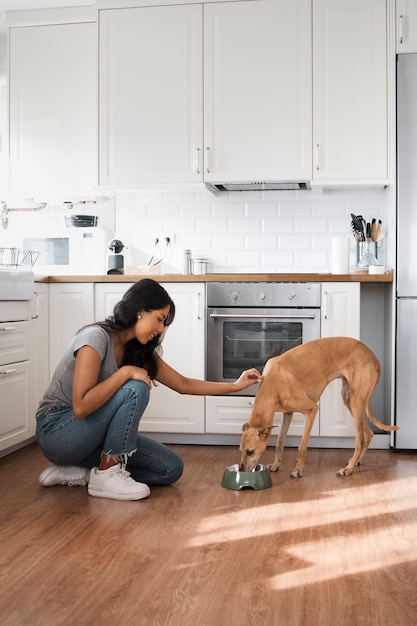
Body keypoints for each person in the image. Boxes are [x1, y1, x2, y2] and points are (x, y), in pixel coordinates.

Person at [36, 278, 262, 501]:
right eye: (160, 319)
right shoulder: (95, 337)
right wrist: (125, 373)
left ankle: (83, 471)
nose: (161, 329)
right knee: (135, 388)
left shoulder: (137, 351)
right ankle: (107, 473)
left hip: (91, 437)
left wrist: (235, 386)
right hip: (57, 432)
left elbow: (183, 384)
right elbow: (81, 407)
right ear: (140, 311)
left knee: (170, 468)